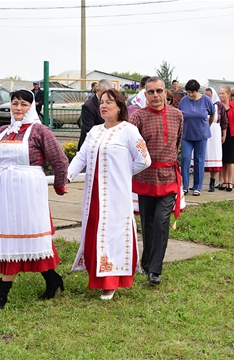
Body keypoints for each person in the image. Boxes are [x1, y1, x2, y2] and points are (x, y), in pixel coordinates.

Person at [0, 89, 69, 314]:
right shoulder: (1, 131)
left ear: (32, 107)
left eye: (24, 104)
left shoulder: (40, 131)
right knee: (12, 238)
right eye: (15, 103)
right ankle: (52, 278)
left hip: (30, 190)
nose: (19, 108)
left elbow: (60, 160)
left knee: (31, 235)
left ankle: (1, 295)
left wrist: (59, 186)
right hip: (6, 192)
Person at [68, 88, 151, 300]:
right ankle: (96, 276)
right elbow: (81, 157)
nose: (104, 106)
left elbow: (144, 160)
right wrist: (66, 177)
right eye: (102, 102)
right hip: (94, 192)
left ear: (120, 107)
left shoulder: (129, 130)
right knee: (95, 230)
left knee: (113, 233)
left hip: (116, 193)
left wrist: (123, 174)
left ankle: (111, 281)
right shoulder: (94, 131)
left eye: (109, 102)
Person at [130, 76, 183, 285]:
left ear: (165, 92)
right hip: (145, 178)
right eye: (150, 92)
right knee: (148, 223)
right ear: (145, 94)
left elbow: (177, 142)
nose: (155, 95)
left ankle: (155, 270)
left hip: (168, 177)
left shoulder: (178, 115)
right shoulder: (138, 118)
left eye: (159, 91)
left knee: (162, 221)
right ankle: (146, 262)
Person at [178, 79, 215, 195]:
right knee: (185, 158)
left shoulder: (206, 100)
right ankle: (184, 185)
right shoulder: (184, 101)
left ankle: (197, 187)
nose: (190, 95)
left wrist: (208, 125)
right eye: (188, 92)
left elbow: (212, 113)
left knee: (199, 160)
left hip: (201, 134)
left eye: (192, 92)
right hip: (186, 135)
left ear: (198, 91)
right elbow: (179, 115)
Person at [218, 86, 234, 192]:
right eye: (220, 93)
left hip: (233, 134)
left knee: (231, 159)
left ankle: (230, 181)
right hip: (221, 135)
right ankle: (224, 180)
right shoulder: (218, 106)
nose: (221, 95)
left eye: (223, 93)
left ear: (228, 94)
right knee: (223, 159)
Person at [203, 87, 227, 192]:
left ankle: (212, 182)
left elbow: (224, 122)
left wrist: (224, 134)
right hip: (203, 131)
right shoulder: (201, 103)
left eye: (209, 95)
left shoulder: (219, 106)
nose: (207, 97)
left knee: (214, 156)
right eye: (206, 95)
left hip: (216, 132)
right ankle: (197, 183)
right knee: (202, 156)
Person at [78, 79, 113, 150]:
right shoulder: (88, 106)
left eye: (110, 93)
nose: (108, 96)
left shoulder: (113, 103)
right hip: (91, 146)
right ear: (97, 90)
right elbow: (89, 129)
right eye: (104, 93)